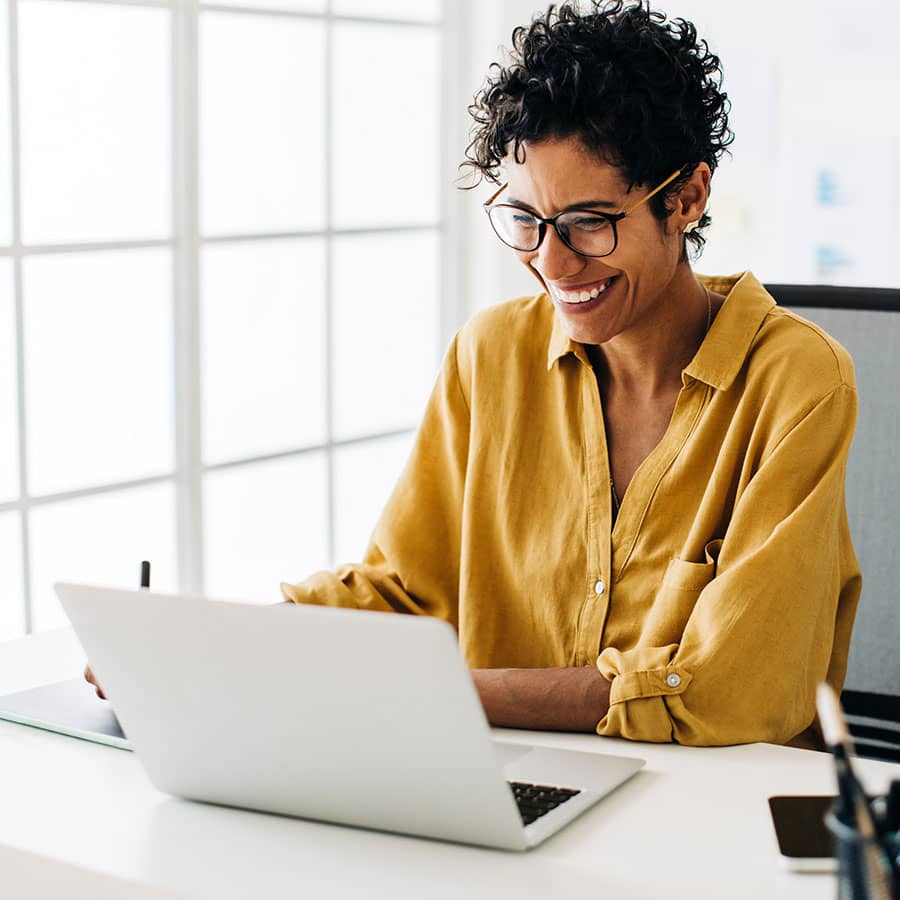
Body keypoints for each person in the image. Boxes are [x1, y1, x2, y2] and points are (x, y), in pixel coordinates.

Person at [90, 1, 862, 748]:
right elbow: (405, 592)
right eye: (526, 220)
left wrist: (434, 693)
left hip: (709, 822)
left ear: (686, 197)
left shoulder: (798, 382)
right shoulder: (488, 356)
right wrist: (220, 649)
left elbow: (731, 687)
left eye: (590, 222)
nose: (552, 264)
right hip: (500, 780)